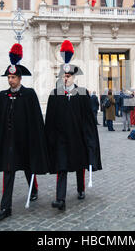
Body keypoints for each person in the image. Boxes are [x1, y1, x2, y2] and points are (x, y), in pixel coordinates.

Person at [0, 43, 50, 221]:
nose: (10, 80)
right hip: (8, 144)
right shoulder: (3, 96)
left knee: (27, 167)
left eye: (13, 77)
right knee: (8, 172)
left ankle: (33, 189)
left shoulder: (29, 94)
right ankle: (5, 207)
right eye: (9, 77)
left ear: (19, 78)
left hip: (24, 142)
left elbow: (36, 120)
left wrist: (36, 139)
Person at [44, 40, 102, 211]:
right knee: (61, 167)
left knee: (78, 165)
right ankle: (60, 199)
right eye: (64, 76)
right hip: (61, 138)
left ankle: (81, 188)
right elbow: (50, 119)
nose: (66, 78)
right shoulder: (55, 95)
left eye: (68, 76)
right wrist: (49, 138)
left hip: (77, 137)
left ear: (73, 77)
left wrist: (88, 138)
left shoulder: (82, 94)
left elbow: (88, 119)